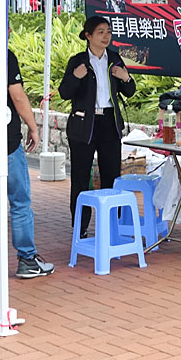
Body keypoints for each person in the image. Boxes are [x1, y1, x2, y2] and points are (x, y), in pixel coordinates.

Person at [59, 16, 136, 236]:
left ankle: (112, 227)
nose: (106, 36)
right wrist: (76, 76)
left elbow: (130, 91)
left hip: (109, 123)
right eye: (101, 32)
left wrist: (126, 77)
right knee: (81, 178)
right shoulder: (78, 61)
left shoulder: (114, 59)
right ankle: (80, 228)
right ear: (88, 35)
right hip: (84, 124)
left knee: (112, 176)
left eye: (108, 32)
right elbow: (65, 92)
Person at [7, 42, 55, 278]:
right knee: (20, 202)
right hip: (5, 144)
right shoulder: (3, 55)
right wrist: (33, 128)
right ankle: (27, 260)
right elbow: (17, 95)